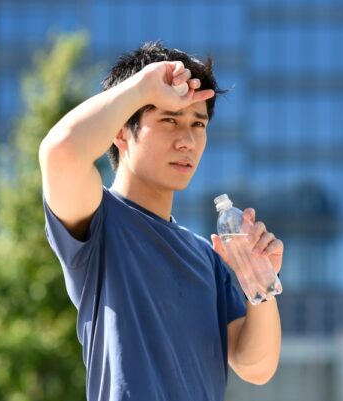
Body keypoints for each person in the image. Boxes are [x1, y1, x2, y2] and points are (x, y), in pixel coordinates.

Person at [38, 42, 283, 401]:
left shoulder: (207, 256)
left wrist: (260, 284)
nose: (187, 141)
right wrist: (142, 87)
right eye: (169, 119)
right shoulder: (100, 220)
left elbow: (256, 367)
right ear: (121, 132)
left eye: (198, 124)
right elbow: (60, 152)